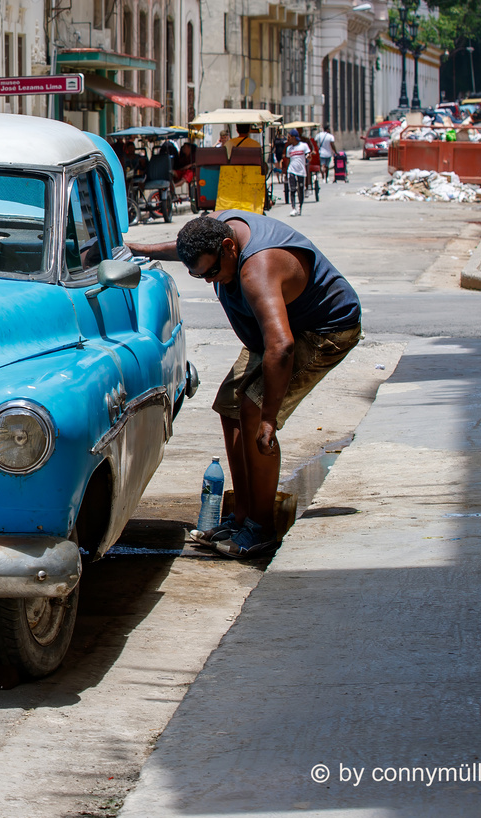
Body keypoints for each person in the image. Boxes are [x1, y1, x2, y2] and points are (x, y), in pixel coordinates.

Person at [130, 213, 361, 559]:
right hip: (272, 334)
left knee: (254, 411)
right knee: (229, 404)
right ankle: (242, 516)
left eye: (212, 273)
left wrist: (270, 418)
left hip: (322, 330)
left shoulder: (257, 271)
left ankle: (263, 528)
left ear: (228, 248)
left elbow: (281, 347)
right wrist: (133, 247)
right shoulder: (216, 234)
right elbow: (180, 249)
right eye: (200, 275)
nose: (211, 281)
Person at [283, 131, 310, 216]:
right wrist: (285, 169)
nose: (288, 139)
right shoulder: (289, 148)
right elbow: (288, 160)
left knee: (300, 190)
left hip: (301, 171)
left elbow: (308, 156)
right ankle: (293, 208)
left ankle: (299, 207)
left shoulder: (303, 146)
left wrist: (309, 157)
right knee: (293, 189)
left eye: (289, 137)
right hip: (291, 170)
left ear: (294, 137)